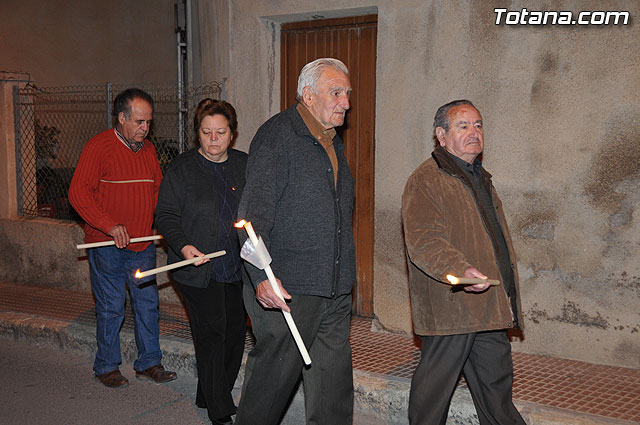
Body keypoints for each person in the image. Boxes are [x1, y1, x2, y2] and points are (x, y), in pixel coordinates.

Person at [235, 58, 355, 425]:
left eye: (348, 94)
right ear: (308, 95)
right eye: (336, 93)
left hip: (333, 287)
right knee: (272, 385)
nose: (346, 103)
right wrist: (261, 280)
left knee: (333, 387)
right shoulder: (278, 137)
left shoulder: (331, 143)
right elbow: (249, 220)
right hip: (289, 288)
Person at [401, 100, 526, 424]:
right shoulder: (426, 180)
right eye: (464, 126)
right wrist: (461, 271)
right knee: (433, 397)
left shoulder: (479, 177)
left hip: (488, 305)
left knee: (496, 394)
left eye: (479, 125)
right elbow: (424, 241)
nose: (474, 132)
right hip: (451, 308)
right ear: (441, 135)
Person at [69, 88, 176, 389]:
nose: (146, 128)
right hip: (106, 246)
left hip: (142, 244)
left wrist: (167, 224)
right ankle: (106, 365)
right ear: (121, 118)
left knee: (147, 304)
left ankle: (149, 363)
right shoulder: (98, 147)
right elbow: (78, 193)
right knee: (111, 305)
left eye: (149, 123)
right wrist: (109, 224)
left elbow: (158, 192)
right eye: (140, 122)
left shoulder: (150, 151)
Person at [155, 98, 247, 425]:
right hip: (195, 268)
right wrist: (184, 246)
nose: (212, 139)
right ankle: (220, 409)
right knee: (212, 333)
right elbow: (165, 215)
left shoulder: (243, 165)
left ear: (232, 134)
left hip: (236, 267)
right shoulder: (182, 168)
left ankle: (207, 392)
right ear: (198, 134)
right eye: (206, 132)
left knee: (235, 335)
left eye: (220, 132)